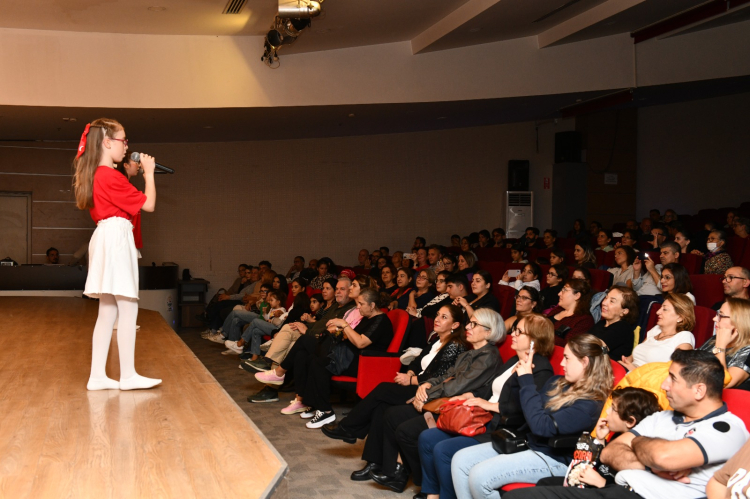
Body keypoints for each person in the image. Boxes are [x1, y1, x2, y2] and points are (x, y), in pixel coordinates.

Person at [451, 334, 613, 499]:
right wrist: (519, 376)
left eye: (567, 358)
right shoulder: (558, 382)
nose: (562, 363)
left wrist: (527, 380)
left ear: (585, 362)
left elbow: (542, 427)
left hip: (554, 458)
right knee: (460, 460)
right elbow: (527, 409)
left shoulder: (590, 404)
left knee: (480, 476)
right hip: (529, 443)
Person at [417, 314, 556, 499]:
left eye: (519, 331)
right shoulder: (513, 360)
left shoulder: (541, 369)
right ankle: (433, 494)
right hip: (483, 416)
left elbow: (528, 409)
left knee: (443, 450)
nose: (513, 334)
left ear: (535, 339)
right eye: (514, 329)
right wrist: (472, 395)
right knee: (427, 438)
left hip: (500, 427)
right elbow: (492, 389)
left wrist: (490, 405)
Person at [367, 309, 505, 492]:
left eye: (474, 324)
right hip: (446, 401)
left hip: (459, 409)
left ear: (489, 331)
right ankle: (396, 472)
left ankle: (425, 483)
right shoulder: (471, 353)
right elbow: (446, 376)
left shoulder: (488, 357)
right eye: (469, 323)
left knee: (404, 430)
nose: (468, 327)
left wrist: (425, 397)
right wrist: (426, 385)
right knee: (391, 414)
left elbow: (456, 387)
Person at [73, 118, 160, 391]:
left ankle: (98, 376)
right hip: (116, 238)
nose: (126, 146)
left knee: (108, 310)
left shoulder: (97, 174)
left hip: (105, 236)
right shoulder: (109, 175)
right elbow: (149, 205)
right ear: (108, 142)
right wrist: (149, 174)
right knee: (128, 306)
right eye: (123, 140)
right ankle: (128, 375)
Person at [321, 304, 469, 450]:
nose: (437, 319)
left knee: (383, 389)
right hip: (417, 384)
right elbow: (417, 361)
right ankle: (373, 459)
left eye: (444, 317)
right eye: (437, 315)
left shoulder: (454, 346)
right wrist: (410, 373)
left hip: (427, 392)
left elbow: (439, 377)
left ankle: (347, 427)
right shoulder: (437, 341)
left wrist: (410, 380)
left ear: (455, 325)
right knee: (381, 407)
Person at [297, 287, 394, 428]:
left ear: (372, 305)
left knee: (319, 364)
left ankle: (326, 411)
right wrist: (340, 331)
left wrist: (344, 325)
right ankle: (316, 404)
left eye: (361, 304)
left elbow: (361, 343)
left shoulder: (381, 321)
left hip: (365, 362)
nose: (358, 307)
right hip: (350, 356)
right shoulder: (367, 318)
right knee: (311, 359)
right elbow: (352, 337)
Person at [533, 387, 661, 490]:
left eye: (613, 409)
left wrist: (602, 483)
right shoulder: (618, 436)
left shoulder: (641, 450)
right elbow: (602, 465)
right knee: (545, 483)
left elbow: (628, 492)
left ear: (629, 421)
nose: (608, 412)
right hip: (592, 482)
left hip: (604, 490)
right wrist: (600, 440)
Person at [620, 292, 695, 371]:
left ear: (680, 317)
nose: (658, 312)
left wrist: (635, 370)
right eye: (660, 308)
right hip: (629, 372)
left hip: (647, 377)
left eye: (665, 309)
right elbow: (633, 357)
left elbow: (677, 372)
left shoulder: (684, 336)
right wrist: (624, 363)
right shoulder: (656, 330)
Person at [699, 298, 750, 388]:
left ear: (738, 321)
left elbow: (722, 384)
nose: (714, 319)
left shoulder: (747, 350)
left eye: (721, 316)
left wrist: (720, 347)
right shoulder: (714, 339)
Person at [588, 285, 639, 360]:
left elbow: (594, 349)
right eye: (606, 298)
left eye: (612, 301)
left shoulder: (623, 328)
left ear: (624, 311)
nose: (604, 303)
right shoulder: (602, 323)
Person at [547, 279, 595, 346]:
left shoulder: (585, 320)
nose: (559, 294)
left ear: (577, 295)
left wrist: (541, 335)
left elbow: (569, 344)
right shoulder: (558, 310)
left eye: (564, 290)